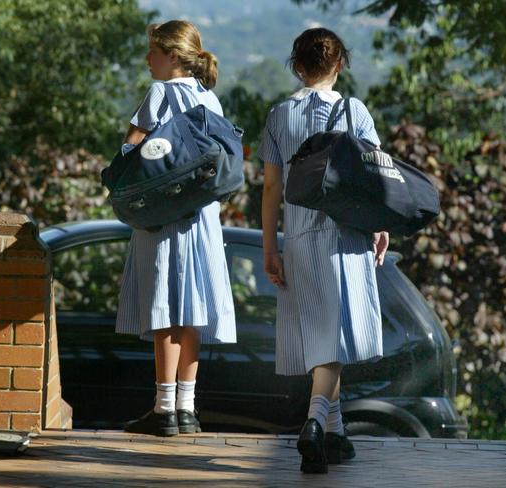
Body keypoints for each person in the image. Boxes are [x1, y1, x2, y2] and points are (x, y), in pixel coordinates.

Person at [259, 27, 389, 473]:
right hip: (346, 236)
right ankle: (314, 424)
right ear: (339, 64)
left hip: (299, 239)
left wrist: (269, 245)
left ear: (297, 65)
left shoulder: (279, 116)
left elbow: (271, 188)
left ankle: (335, 433)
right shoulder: (355, 111)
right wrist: (380, 226)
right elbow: (374, 178)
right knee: (331, 337)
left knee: (321, 334)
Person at [115, 20, 237, 437]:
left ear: (171, 55)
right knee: (193, 308)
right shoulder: (210, 99)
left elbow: (130, 152)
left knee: (165, 307)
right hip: (201, 219)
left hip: (163, 216)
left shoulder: (160, 93)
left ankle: (163, 408)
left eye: (153, 51)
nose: (148, 58)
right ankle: (187, 408)